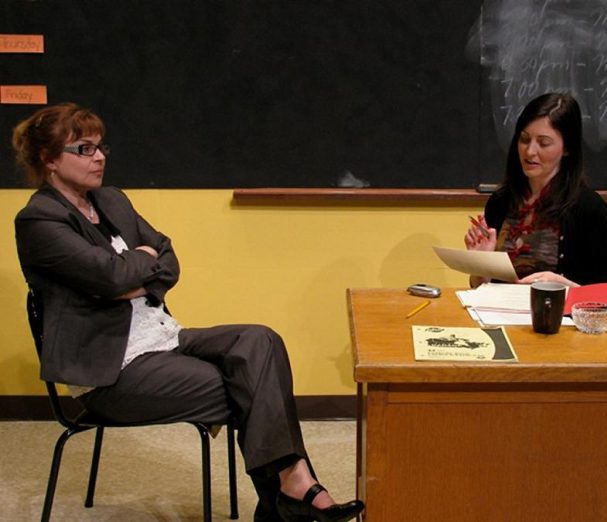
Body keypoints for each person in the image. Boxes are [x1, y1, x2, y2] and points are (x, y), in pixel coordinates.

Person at [12, 102, 364, 522]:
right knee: (249, 383)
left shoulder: (111, 201)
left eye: (101, 146)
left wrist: (131, 277)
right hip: (111, 372)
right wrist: (130, 273)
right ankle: (294, 491)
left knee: (259, 341)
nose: (100, 156)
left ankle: (290, 491)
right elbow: (107, 277)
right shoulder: (39, 219)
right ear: (50, 160)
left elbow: (167, 258)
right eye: (84, 149)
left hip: (163, 339)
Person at [465, 92, 607, 288]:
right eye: (524, 139)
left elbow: (605, 300)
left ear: (567, 149)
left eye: (544, 143)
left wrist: (561, 283)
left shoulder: (590, 210)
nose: (530, 151)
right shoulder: (501, 201)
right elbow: (482, 289)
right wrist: (480, 266)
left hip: (559, 316)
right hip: (500, 317)